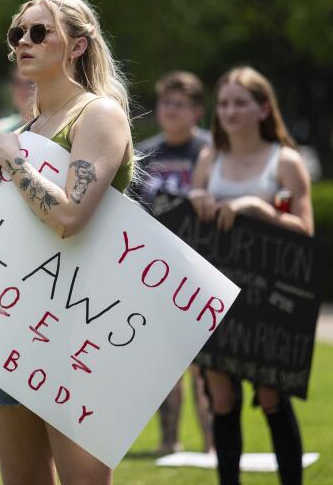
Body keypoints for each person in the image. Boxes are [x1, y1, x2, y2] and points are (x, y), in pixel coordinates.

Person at [0, 0, 135, 485]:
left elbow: (68, 218)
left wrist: (14, 167)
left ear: (78, 45)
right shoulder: (28, 130)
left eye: (40, 31)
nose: (23, 41)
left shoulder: (98, 114)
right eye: (18, 32)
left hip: (77, 327)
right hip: (12, 321)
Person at [189, 66, 313, 485]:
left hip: (269, 304)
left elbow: (306, 232)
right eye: (223, 103)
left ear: (264, 108)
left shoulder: (286, 161)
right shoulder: (209, 159)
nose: (230, 111)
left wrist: (259, 209)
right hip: (217, 298)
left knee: (270, 396)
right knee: (221, 399)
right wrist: (198, 198)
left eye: (241, 103)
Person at [133, 70, 213, 454]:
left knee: (206, 367)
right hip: (155, 273)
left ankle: (214, 444)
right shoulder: (146, 153)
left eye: (180, 105)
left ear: (197, 111)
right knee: (165, 365)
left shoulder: (211, 152)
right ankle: (169, 443)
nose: (170, 111)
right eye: (166, 103)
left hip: (203, 272)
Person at [0, 68, 35, 133]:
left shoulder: (52, 130)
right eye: (17, 83)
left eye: (30, 83)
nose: (22, 90)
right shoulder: (0, 129)